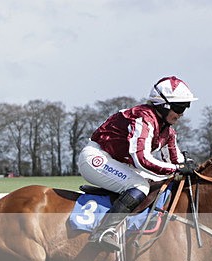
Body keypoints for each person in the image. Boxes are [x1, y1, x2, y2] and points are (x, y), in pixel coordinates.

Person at [78, 76, 199, 251]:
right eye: (179, 107)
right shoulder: (143, 119)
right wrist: (177, 168)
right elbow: (141, 160)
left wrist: (189, 168)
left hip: (120, 164)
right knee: (140, 185)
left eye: (186, 107)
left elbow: (176, 161)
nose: (182, 113)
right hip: (96, 158)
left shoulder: (168, 131)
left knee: (162, 183)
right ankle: (104, 231)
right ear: (163, 105)